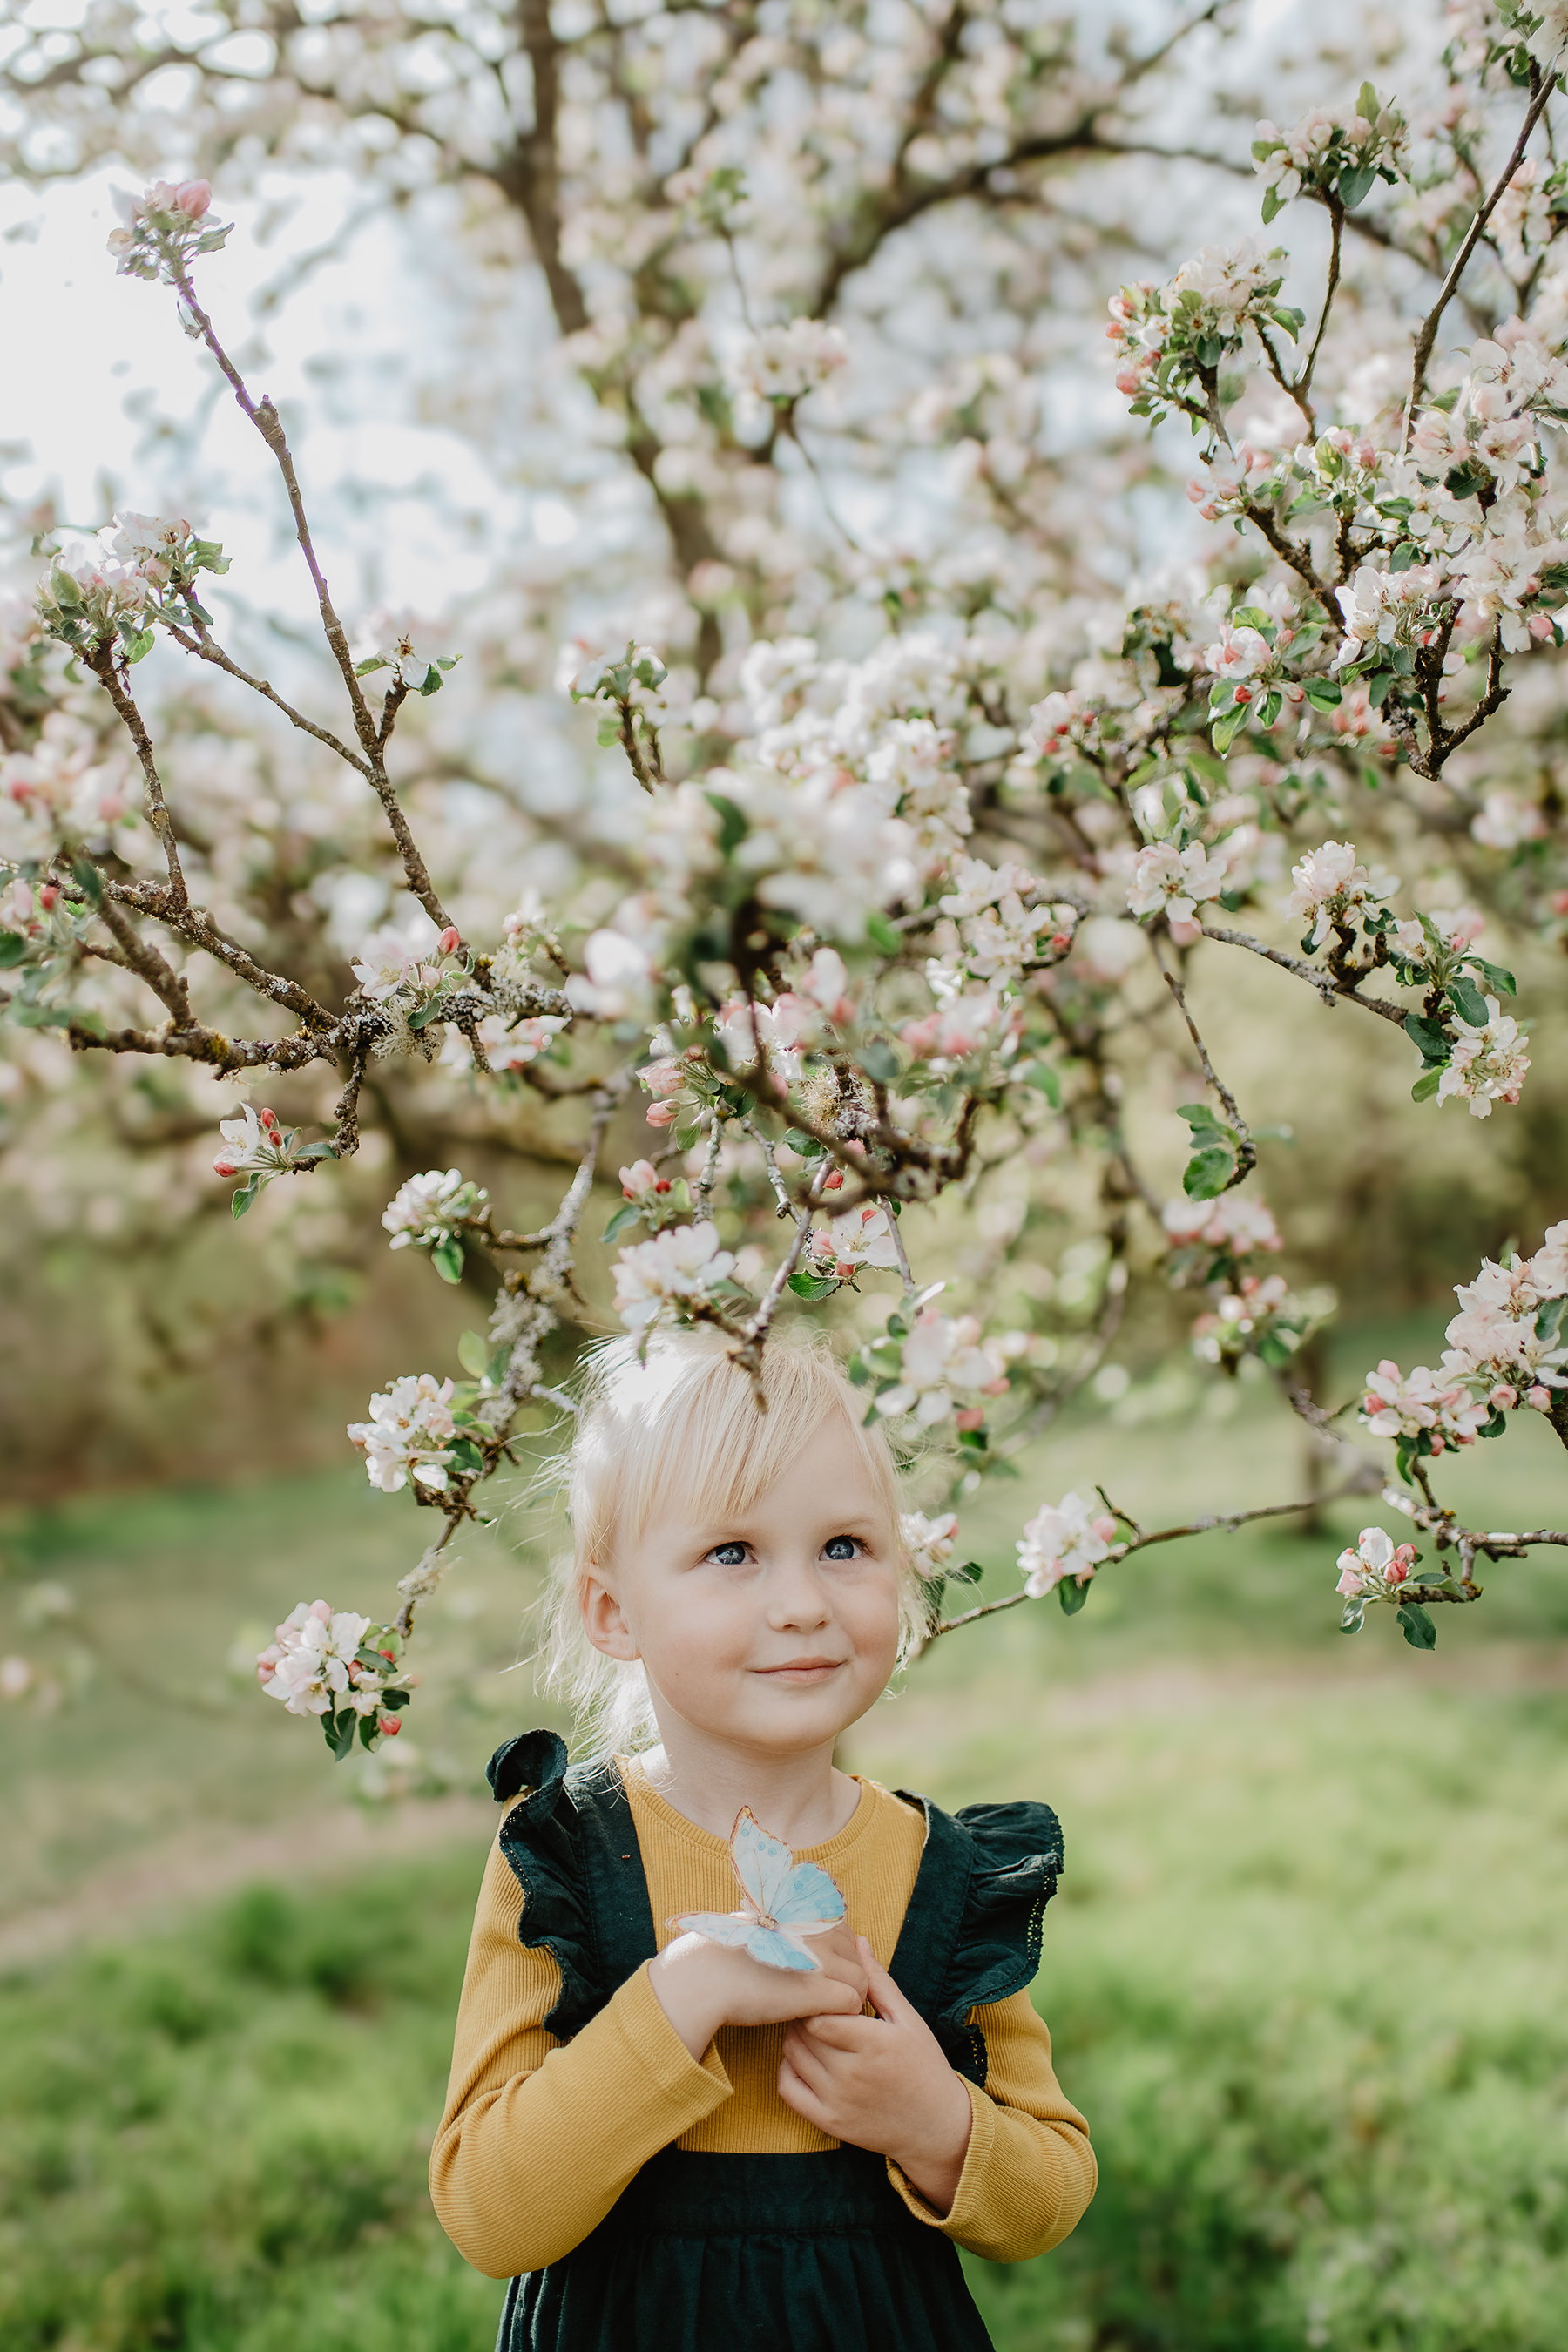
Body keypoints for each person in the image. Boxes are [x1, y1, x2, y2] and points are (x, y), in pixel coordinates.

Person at [430, 1329, 1096, 2350]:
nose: (800, 1606)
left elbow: (1049, 2197)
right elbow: (490, 2213)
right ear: (614, 1611)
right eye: (731, 1553)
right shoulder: (562, 1859)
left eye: (844, 1547)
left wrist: (935, 2121)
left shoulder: (944, 1874)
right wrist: (684, 1994)